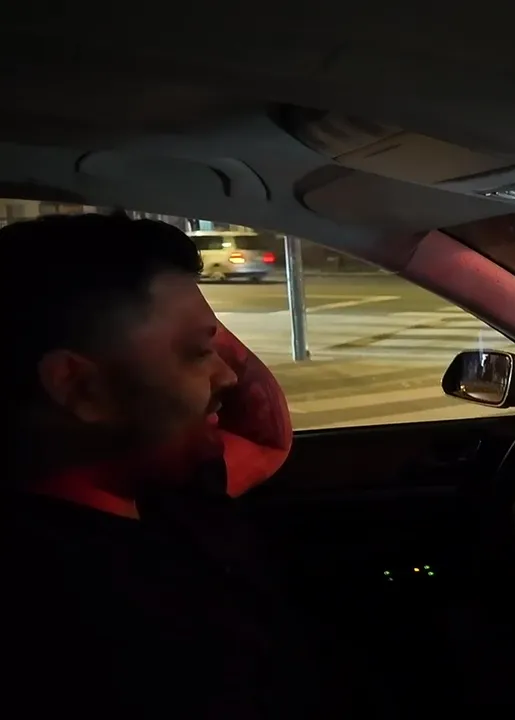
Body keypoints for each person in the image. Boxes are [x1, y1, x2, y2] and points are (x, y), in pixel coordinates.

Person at [0, 214, 380, 718]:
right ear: (77, 385)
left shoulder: (159, 480)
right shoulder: (90, 633)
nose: (228, 374)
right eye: (200, 353)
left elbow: (263, 434)